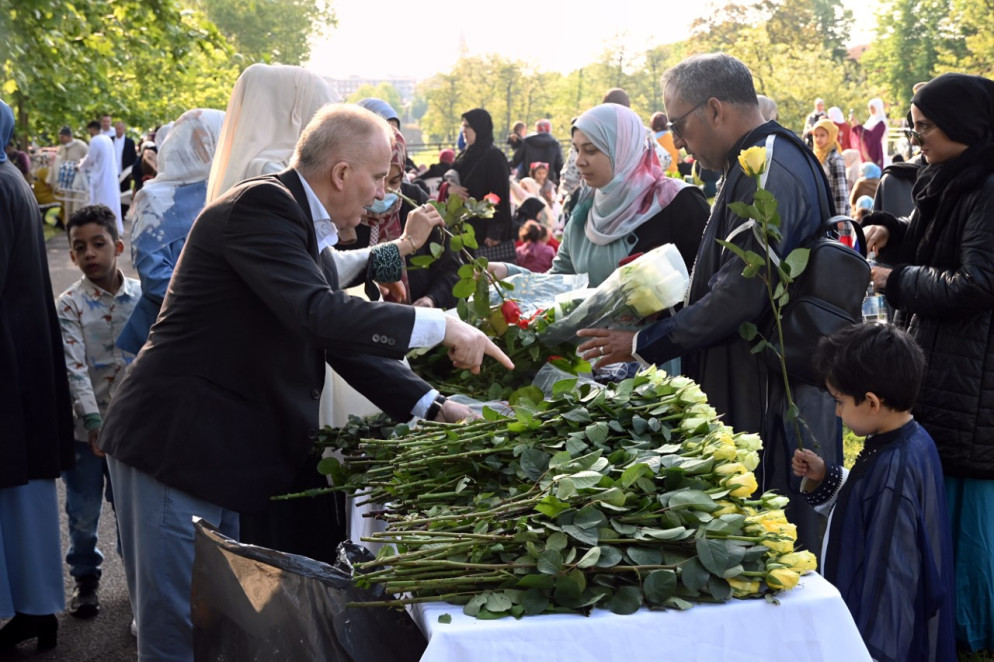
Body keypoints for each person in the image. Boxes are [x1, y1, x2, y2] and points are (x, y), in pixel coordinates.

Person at [98, 103, 513, 661]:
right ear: (341, 173)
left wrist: (436, 407)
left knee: (213, 628)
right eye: (378, 178)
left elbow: (334, 339)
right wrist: (442, 326)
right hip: (175, 445)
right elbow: (320, 315)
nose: (383, 195)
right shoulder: (263, 205)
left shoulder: (293, 217)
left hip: (215, 452)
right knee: (177, 635)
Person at [576, 53, 840, 556]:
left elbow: (741, 291)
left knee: (774, 536)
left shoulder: (767, 165)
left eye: (679, 125)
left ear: (715, 109)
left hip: (772, 391)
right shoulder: (760, 157)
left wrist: (645, 341)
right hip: (760, 379)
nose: (678, 143)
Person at [861, 72, 994, 653]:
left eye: (926, 129)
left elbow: (976, 282)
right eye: (913, 129)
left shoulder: (989, 185)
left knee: (967, 502)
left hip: (975, 372)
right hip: (948, 361)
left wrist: (894, 280)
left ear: (964, 126)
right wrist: (892, 231)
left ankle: (969, 625)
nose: (917, 142)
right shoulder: (953, 172)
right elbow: (935, 239)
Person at [792, 323, 955, 661]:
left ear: (871, 402)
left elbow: (892, 583)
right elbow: (866, 501)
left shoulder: (894, 470)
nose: (837, 411)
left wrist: (870, 653)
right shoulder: (910, 440)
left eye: (839, 401)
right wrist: (826, 477)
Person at [0, 98, 74, 654]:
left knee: (15, 486)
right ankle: (34, 607)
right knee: (21, 490)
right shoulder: (12, 179)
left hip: (8, 357)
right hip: (19, 354)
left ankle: (30, 608)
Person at [492, 102, 709, 288]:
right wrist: (509, 274)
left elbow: (705, 292)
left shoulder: (679, 203)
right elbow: (561, 280)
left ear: (622, 149)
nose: (579, 161)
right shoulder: (584, 204)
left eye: (590, 150)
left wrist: (652, 329)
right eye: (577, 150)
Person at [56, 204, 141, 619]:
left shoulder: (143, 297)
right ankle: (86, 578)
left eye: (98, 243)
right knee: (82, 510)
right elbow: (73, 368)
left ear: (117, 246)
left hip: (132, 431)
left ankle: (138, 583)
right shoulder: (68, 305)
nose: (89, 253)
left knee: (130, 510)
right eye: (79, 247)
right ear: (72, 255)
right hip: (84, 432)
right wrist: (92, 421)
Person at [116, 108, 225, 354]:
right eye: (197, 141)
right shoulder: (154, 199)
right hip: (171, 332)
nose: (203, 149)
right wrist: (215, 304)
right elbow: (155, 278)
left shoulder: (222, 192)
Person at [337, 126, 461, 309]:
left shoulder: (416, 202)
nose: (383, 192)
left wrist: (432, 299)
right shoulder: (341, 213)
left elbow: (453, 268)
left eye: (394, 181)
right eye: (376, 179)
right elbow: (333, 271)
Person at [448, 108, 513, 256]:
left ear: (479, 127)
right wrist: (450, 189)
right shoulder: (465, 155)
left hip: (485, 232)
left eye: (468, 126)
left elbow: (500, 195)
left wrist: (495, 233)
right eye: (463, 126)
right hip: (464, 226)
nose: (464, 130)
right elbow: (447, 178)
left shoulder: (493, 156)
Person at [77, 132, 122, 234]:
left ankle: (100, 229)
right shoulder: (108, 139)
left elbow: (90, 158)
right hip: (110, 178)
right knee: (111, 204)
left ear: (91, 130)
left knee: (98, 204)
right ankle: (112, 228)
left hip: (100, 178)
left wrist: (80, 166)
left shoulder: (95, 140)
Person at [811, 118, 850, 216]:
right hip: (820, 212)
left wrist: (839, 217)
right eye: (816, 135)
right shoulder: (814, 156)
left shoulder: (836, 159)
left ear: (831, 136)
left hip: (834, 213)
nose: (818, 139)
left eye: (822, 135)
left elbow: (841, 189)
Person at [51, 126, 89, 222]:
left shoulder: (81, 146)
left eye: (62, 137)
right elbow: (58, 163)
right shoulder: (62, 148)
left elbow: (88, 160)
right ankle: (69, 226)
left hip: (79, 181)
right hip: (67, 182)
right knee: (68, 206)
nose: (61, 139)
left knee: (78, 206)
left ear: (68, 136)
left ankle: (79, 225)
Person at [510, 119, 565, 186]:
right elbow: (559, 164)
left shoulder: (527, 141)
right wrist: (559, 181)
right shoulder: (554, 143)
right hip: (547, 182)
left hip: (528, 181)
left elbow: (516, 159)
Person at [850, 98, 888, 168]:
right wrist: (855, 127)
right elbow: (862, 134)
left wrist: (858, 125)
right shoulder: (870, 121)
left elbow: (872, 136)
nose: (870, 110)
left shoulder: (881, 123)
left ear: (878, 108)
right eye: (869, 108)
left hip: (875, 152)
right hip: (866, 151)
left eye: (872, 108)